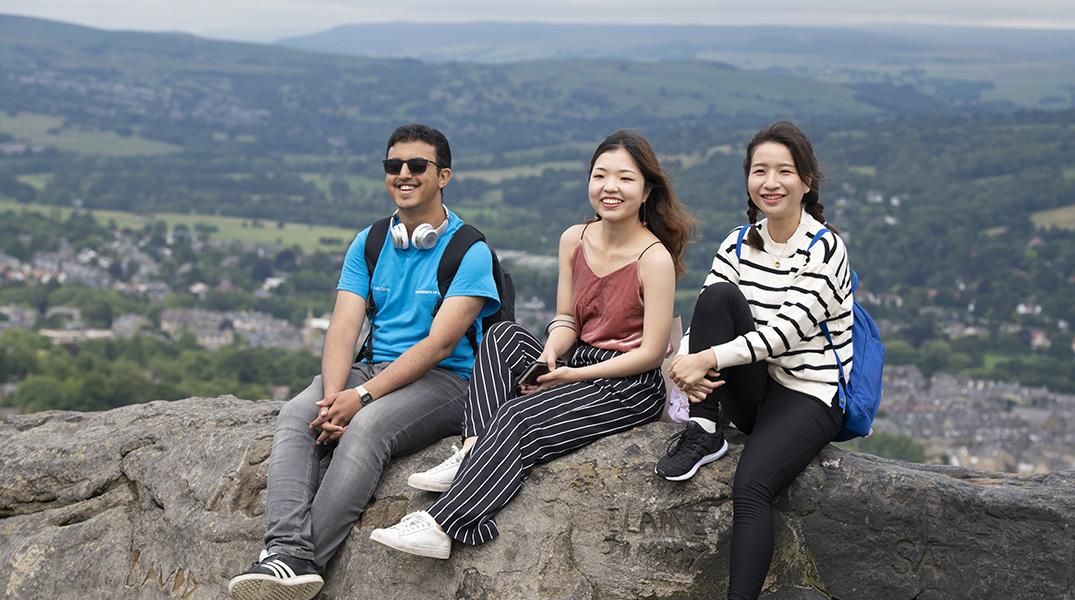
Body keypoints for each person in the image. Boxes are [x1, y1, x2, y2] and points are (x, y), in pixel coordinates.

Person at [368, 129, 693, 558]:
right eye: (600, 176)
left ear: (647, 189)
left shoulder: (654, 259)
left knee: (520, 414)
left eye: (625, 179)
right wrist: (552, 351)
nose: (610, 188)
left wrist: (574, 374)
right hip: (576, 359)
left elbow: (651, 354)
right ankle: (472, 451)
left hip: (627, 383)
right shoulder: (575, 238)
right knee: (500, 335)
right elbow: (567, 319)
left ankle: (446, 523)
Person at [228, 124, 500, 600]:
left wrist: (360, 398)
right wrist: (335, 396)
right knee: (298, 413)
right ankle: (284, 553)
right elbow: (342, 327)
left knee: (367, 428)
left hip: (447, 382)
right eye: (393, 166)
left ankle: (304, 562)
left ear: (444, 176)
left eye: (418, 166)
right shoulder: (371, 243)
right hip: (370, 370)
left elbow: (439, 346)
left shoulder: (469, 251)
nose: (404, 174)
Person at [655, 121, 854, 600]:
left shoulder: (826, 249)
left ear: (807, 181)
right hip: (756, 387)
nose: (771, 182)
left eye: (785, 171)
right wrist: (681, 360)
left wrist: (703, 360)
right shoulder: (737, 241)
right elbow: (706, 315)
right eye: (760, 170)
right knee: (719, 297)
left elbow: (783, 335)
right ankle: (704, 430)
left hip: (811, 392)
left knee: (751, 487)